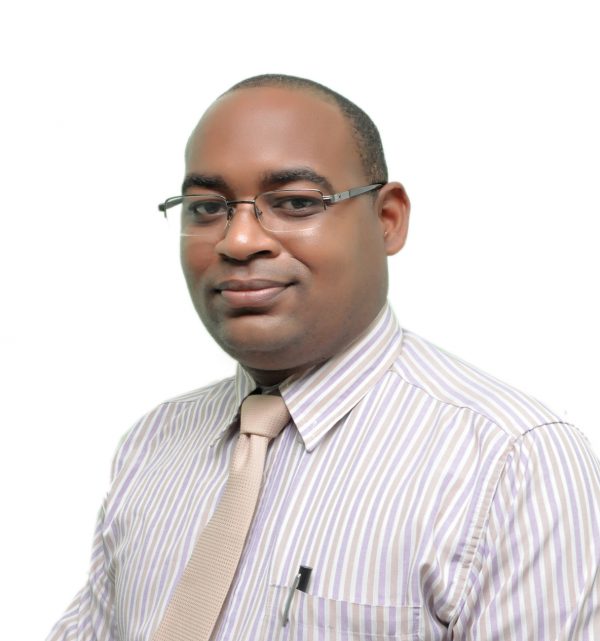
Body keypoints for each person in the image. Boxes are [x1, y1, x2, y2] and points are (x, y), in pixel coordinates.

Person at [48, 74, 599, 640]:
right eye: (207, 207)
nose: (238, 241)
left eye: (295, 203)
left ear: (388, 219)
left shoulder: (510, 462)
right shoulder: (153, 445)